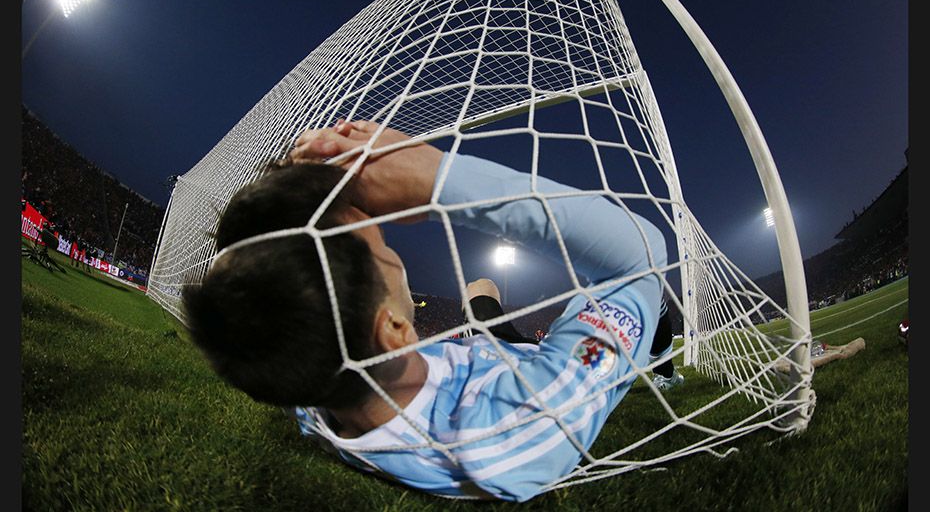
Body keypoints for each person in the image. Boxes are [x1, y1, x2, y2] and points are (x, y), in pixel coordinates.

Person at [182, 119, 668, 502]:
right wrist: (435, 176)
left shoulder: (308, 383)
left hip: (472, 349)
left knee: (482, 294)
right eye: (381, 239)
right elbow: (641, 253)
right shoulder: (505, 436)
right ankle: (662, 359)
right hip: (521, 360)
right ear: (394, 329)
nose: (393, 249)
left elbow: (262, 287)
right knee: (645, 305)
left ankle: (488, 314)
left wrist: (299, 185)